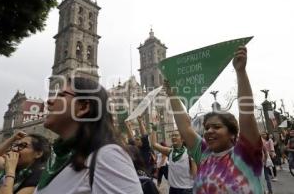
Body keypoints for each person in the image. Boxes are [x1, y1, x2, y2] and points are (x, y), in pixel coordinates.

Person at [164, 46, 264, 193]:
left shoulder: (245, 154)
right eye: (207, 128)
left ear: (232, 133)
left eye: (216, 127)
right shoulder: (204, 154)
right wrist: (172, 94)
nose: (209, 131)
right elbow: (185, 128)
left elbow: (246, 114)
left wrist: (240, 72)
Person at [34, 77, 142, 194]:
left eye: (61, 95)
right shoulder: (59, 156)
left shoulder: (108, 156)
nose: (49, 101)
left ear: (83, 107)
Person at [150, 127, 196, 194]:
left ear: (182, 139)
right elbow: (154, 145)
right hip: (173, 190)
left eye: (176, 135)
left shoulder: (190, 153)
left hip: (186, 190)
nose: (173, 137)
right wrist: (154, 129)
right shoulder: (170, 151)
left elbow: (195, 175)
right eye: (172, 135)